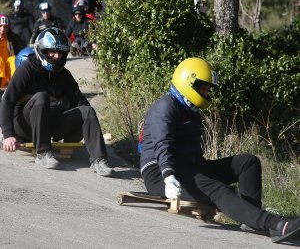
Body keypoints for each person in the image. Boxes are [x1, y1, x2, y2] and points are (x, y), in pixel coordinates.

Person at [139, 57, 300, 243]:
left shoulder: (190, 110)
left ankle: (251, 219)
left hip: (188, 169)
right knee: (217, 189)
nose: (207, 92)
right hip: (160, 173)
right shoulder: (164, 107)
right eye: (204, 88)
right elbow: (162, 144)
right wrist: (168, 176)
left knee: (248, 162)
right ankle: (276, 224)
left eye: (208, 88)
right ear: (188, 83)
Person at [0, 28, 114, 176]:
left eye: (60, 52)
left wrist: (86, 129)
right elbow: (7, 101)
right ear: (42, 50)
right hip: (23, 126)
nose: (56, 56)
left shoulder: (64, 75)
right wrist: (8, 134)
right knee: (41, 97)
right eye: (51, 52)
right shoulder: (26, 69)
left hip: (48, 125)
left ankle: (99, 160)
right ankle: (43, 153)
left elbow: (81, 102)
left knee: (87, 111)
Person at [0, 14, 25, 89]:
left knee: (13, 59)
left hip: (9, 71)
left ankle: (15, 87)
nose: (3, 29)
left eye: (5, 27)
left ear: (9, 28)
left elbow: (21, 56)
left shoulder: (14, 38)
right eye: (0, 26)